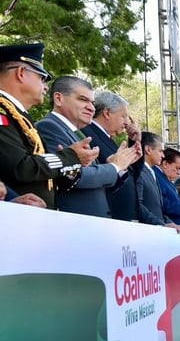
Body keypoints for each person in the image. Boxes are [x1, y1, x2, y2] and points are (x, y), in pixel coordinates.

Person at [0, 42, 89, 208]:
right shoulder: (3, 113)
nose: (46, 87)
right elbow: (20, 167)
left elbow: (43, 177)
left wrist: (70, 169)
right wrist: (69, 157)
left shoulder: (21, 117)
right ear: (21, 73)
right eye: (42, 78)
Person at [35, 76, 139, 217]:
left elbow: (93, 180)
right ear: (59, 99)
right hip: (72, 222)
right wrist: (114, 167)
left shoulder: (77, 134)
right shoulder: (49, 126)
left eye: (92, 102)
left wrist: (117, 166)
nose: (91, 108)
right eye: (83, 100)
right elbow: (70, 176)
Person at [81, 90, 143, 221]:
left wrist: (134, 143)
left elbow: (133, 174)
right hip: (105, 216)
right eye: (124, 116)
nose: (128, 122)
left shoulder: (108, 139)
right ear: (107, 113)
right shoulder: (87, 134)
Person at [156, 147, 180, 226]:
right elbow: (163, 204)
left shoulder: (167, 180)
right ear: (165, 164)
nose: (179, 173)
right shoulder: (157, 177)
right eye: (177, 168)